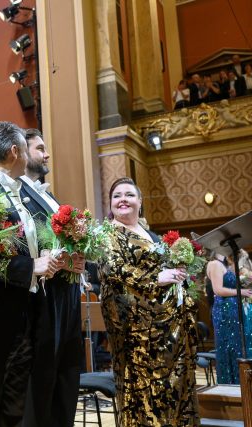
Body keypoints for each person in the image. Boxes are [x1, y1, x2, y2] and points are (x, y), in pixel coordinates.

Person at [0, 122, 62, 426]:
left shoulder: (20, 192)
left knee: (14, 403)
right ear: (14, 151)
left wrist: (44, 257)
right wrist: (31, 267)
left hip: (23, 309)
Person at [98, 177, 199, 426]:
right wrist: (157, 278)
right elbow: (113, 271)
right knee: (145, 394)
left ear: (140, 202)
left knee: (174, 391)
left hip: (171, 331)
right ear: (110, 204)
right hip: (137, 332)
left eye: (129, 195)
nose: (123, 199)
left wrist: (178, 272)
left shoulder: (150, 234)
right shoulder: (106, 233)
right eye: (117, 195)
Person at [19, 129, 84, 427]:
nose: (46, 154)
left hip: (66, 299)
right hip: (44, 300)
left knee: (65, 381)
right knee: (42, 384)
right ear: (20, 151)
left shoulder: (49, 196)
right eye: (39, 148)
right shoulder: (18, 196)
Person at [207, 253, 252, 384]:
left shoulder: (225, 265)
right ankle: (231, 382)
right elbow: (218, 290)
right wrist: (241, 292)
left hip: (232, 308)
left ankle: (242, 382)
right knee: (229, 346)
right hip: (224, 310)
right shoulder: (214, 264)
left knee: (237, 346)